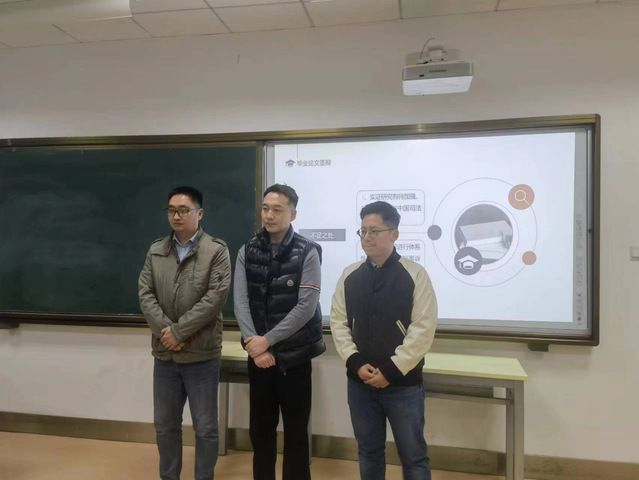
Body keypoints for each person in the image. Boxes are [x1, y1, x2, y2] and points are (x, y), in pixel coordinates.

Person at [330, 200, 438, 480]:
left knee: (413, 456)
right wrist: (355, 362)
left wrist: (390, 370)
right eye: (363, 231)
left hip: (403, 385)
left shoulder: (415, 275)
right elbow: (338, 323)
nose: (367, 237)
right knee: (369, 452)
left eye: (374, 231)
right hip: (361, 383)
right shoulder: (349, 275)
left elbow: (423, 328)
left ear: (394, 234)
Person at [138, 186, 231, 480]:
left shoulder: (216, 250)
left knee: (205, 428)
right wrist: (166, 332)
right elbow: (145, 293)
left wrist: (178, 332)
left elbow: (215, 298)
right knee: (165, 425)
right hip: (165, 355)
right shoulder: (156, 250)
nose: (176, 216)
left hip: (201, 354)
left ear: (199, 214)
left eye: (183, 210)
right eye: (171, 211)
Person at [233, 183, 325, 480]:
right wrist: (254, 344)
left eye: (277, 209)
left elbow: (306, 306)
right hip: (259, 358)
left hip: (294, 358)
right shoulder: (247, 250)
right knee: (261, 432)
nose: (269, 215)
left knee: (296, 433)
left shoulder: (308, 251)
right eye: (265, 208)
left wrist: (267, 341)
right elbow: (241, 301)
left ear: (292, 214)